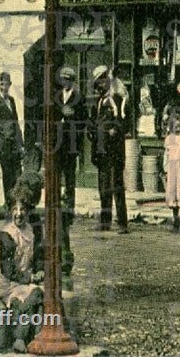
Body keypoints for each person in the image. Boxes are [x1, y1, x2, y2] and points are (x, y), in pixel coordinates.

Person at [0, 184, 44, 354]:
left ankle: (32, 337)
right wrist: (31, 278)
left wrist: (39, 269)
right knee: (33, 295)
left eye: (23, 209)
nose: (18, 213)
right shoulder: (6, 234)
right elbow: (7, 269)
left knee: (36, 299)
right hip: (5, 282)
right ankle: (26, 337)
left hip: (20, 279)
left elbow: (37, 255)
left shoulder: (30, 230)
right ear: (9, 211)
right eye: (14, 209)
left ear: (28, 211)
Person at [88, 65, 129, 233]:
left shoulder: (118, 100)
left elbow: (125, 122)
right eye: (98, 82)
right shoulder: (98, 101)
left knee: (117, 186)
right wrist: (92, 132)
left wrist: (116, 130)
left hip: (115, 150)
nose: (101, 85)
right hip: (101, 150)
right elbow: (94, 122)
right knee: (103, 187)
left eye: (103, 80)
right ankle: (105, 221)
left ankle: (122, 223)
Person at [51, 66, 87, 221]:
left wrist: (72, 117)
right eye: (63, 80)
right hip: (58, 142)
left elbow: (83, 120)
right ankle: (58, 208)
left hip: (71, 143)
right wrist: (60, 113)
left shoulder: (79, 97)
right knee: (57, 174)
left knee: (70, 177)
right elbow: (52, 114)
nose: (65, 83)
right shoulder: (57, 96)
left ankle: (70, 209)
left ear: (72, 82)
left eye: (68, 80)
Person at [0, 71, 24, 211]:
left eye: (7, 84)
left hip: (15, 146)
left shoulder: (11, 101)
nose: (4, 87)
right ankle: (8, 205)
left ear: (10, 85)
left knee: (18, 176)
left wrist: (21, 144)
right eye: (1, 84)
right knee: (8, 177)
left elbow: (15, 123)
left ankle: (16, 204)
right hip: (5, 148)